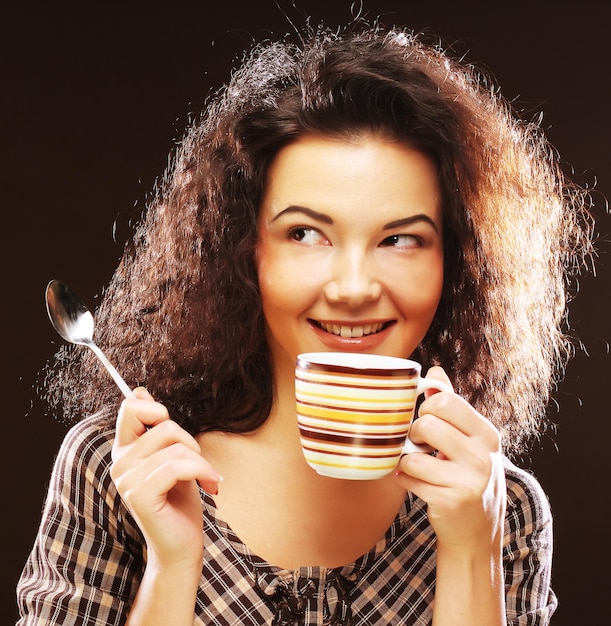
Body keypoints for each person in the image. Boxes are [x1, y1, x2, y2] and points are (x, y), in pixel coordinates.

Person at [17, 22, 593, 626]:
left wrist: (473, 551)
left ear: (456, 261)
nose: (352, 288)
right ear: (243, 251)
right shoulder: (123, 469)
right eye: (305, 234)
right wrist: (172, 565)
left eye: (400, 239)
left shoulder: (504, 508)